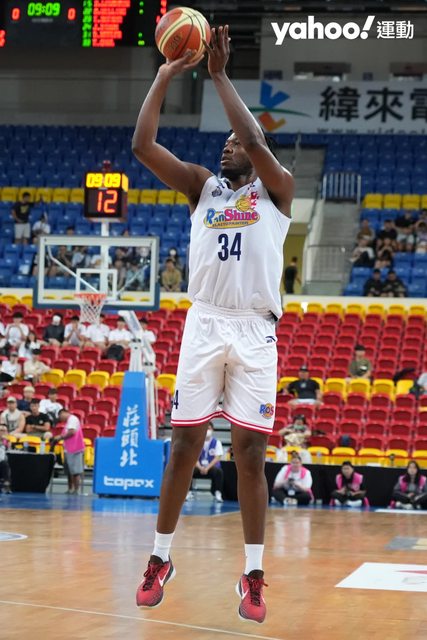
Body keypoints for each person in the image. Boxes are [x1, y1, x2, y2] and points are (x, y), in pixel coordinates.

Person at [132, 26, 294, 623]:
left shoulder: (278, 193)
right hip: (204, 324)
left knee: (250, 454)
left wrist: (220, 76)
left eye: (235, 144)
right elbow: (143, 146)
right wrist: (164, 74)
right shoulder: (203, 188)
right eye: (223, 143)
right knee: (184, 446)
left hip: (254, 329)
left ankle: (253, 574)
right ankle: (159, 558)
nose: (228, 147)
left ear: (256, 154)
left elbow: (251, 134)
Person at [50, 409, 85, 494]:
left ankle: (76, 490)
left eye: (60, 416)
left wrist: (60, 437)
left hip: (75, 449)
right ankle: (70, 489)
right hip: (68, 449)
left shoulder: (72, 419)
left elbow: (72, 432)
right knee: (69, 471)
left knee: (75, 471)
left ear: (63, 413)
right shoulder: (68, 422)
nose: (60, 419)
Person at [186, 423, 224, 502]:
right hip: (199, 466)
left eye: (209, 428)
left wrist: (207, 468)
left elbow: (217, 458)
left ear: (212, 430)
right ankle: (188, 492)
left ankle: (218, 493)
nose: (207, 430)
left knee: (219, 472)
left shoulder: (217, 442)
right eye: (205, 428)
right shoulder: (197, 442)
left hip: (210, 467)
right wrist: (200, 467)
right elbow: (194, 457)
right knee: (189, 470)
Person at [0, 425, 12, 493]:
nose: (3, 432)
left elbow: (8, 450)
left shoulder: (7, 441)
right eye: (1, 430)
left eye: (5, 431)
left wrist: (5, 441)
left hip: (2, 462)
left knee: (4, 464)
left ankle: (6, 486)